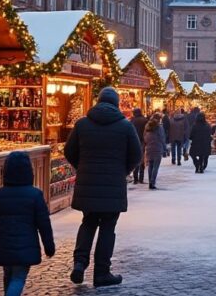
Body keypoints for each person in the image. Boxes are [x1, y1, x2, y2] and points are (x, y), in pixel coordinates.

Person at [64, 87, 142, 288]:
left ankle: (79, 263)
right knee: (108, 227)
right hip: (113, 186)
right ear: (116, 104)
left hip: (88, 185)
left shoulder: (82, 124)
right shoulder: (125, 126)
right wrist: (123, 171)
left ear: (98, 102)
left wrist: (82, 167)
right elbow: (136, 154)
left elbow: (69, 151)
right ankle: (102, 272)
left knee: (88, 222)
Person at [0, 151, 55, 296]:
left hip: (4, 245)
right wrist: (49, 247)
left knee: (8, 275)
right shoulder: (35, 195)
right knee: (18, 277)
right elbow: (44, 224)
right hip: (26, 245)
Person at [143, 115, 165, 189]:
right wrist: (164, 148)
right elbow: (162, 138)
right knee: (155, 167)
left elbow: (144, 137)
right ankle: (152, 182)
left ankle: (150, 181)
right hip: (157, 148)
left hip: (149, 148)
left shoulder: (147, 128)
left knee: (150, 166)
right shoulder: (159, 128)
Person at [130, 108, 149, 184]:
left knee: (135, 159)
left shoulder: (132, 121)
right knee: (142, 159)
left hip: (134, 141)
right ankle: (141, 178)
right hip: (142, 141)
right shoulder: (145, 120)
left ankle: (135, 179)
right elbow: (147, 131)